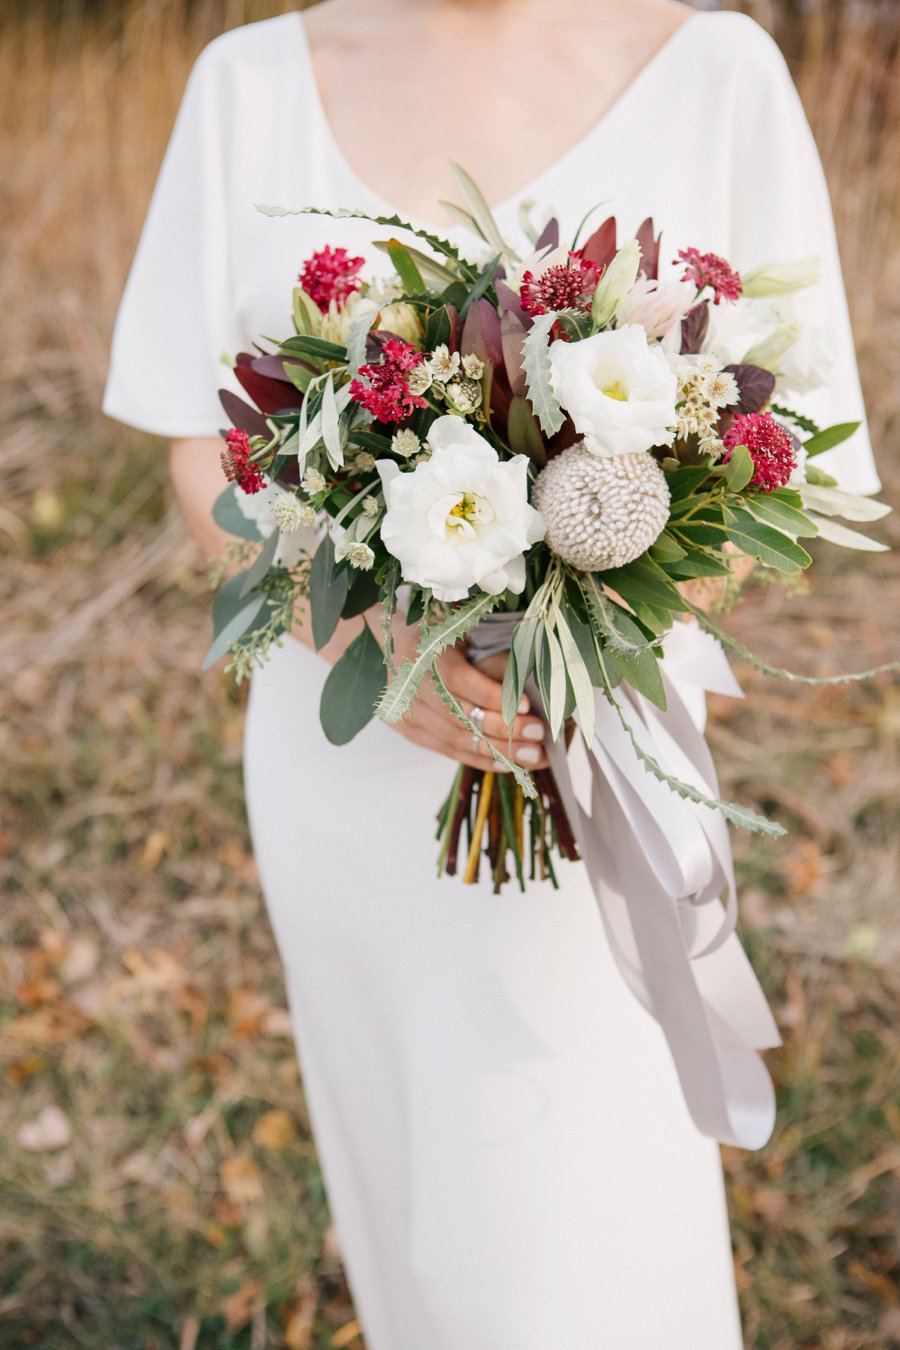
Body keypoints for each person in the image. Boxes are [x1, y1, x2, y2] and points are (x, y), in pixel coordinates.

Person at [102, 1, 880, 1345]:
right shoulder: (252, 82)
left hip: (589, 758)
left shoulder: (715, 70)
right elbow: (194, 438)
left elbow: (789, 460)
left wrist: (576, 619)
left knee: (566, 1227)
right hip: (339, 758)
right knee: (418, 1215)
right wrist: (367, 644)